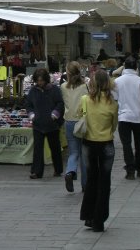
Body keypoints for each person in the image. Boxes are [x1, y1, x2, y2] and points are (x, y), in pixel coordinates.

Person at [79, 68, 118, 233]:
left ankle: (88, 215)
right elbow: (114, 125)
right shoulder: (113, 104)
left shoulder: (85, 100)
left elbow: (80, 117)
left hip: (89, 143)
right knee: (105, 181)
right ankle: (99, 220)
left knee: (91, 179)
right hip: (106, 144)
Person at [26, 67, 64, 180]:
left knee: (55, 148)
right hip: (38, 124)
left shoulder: (54, 90)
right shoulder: (33, 91)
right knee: (38, 149)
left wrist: (55, 114)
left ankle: (58, 169)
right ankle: (36, 172)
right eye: (38, 80)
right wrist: (31, 115)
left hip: (52, 124)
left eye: (41, 80)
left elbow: (60, 103)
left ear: (46, 80)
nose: (39, 83)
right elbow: (28, 105)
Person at [115, 56, 140, 179]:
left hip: (123, 116)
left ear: (124, 67)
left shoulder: (117, 81)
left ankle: (130, 169)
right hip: (139, 116)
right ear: (136, 67)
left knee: (126, 144)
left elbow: (114, 98)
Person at [62, 61, 89, 193]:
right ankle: (85, 184)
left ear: (67, 73)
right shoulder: (86, 86)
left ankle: (70, 172)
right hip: (82, 122)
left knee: (73, 152)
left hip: (68, 122)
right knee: (84, 153)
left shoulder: (62, 87)